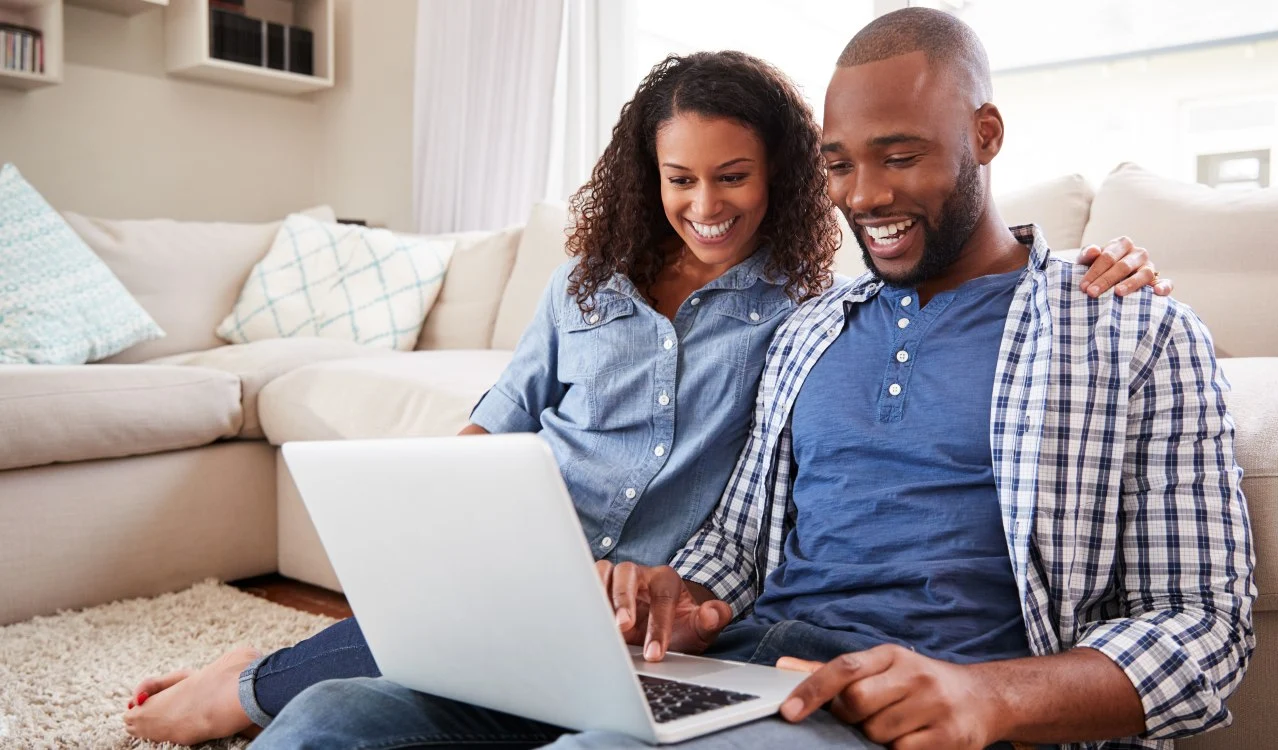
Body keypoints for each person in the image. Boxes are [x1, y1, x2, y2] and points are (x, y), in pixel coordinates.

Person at [124, 48, 1166, 747]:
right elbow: (719, 526)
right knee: (332, 721)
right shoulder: (779, 323)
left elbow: (1200, 626)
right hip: (653, 616)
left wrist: (990, 693)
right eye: (847, 166)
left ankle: (254, 676)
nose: (867, 195)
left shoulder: (840, 305)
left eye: (897, 157)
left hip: (797, 664)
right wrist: (677, 589)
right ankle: (280, 681)